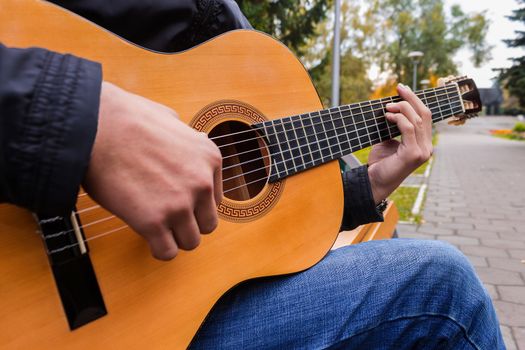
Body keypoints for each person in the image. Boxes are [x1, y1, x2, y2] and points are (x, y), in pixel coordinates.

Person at [0, 1, 504, 348]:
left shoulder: (233, 42)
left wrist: (370, 183)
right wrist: (83, 120)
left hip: (173, 302)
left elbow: (249, 197)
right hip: (70, 313)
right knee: (440, 287)